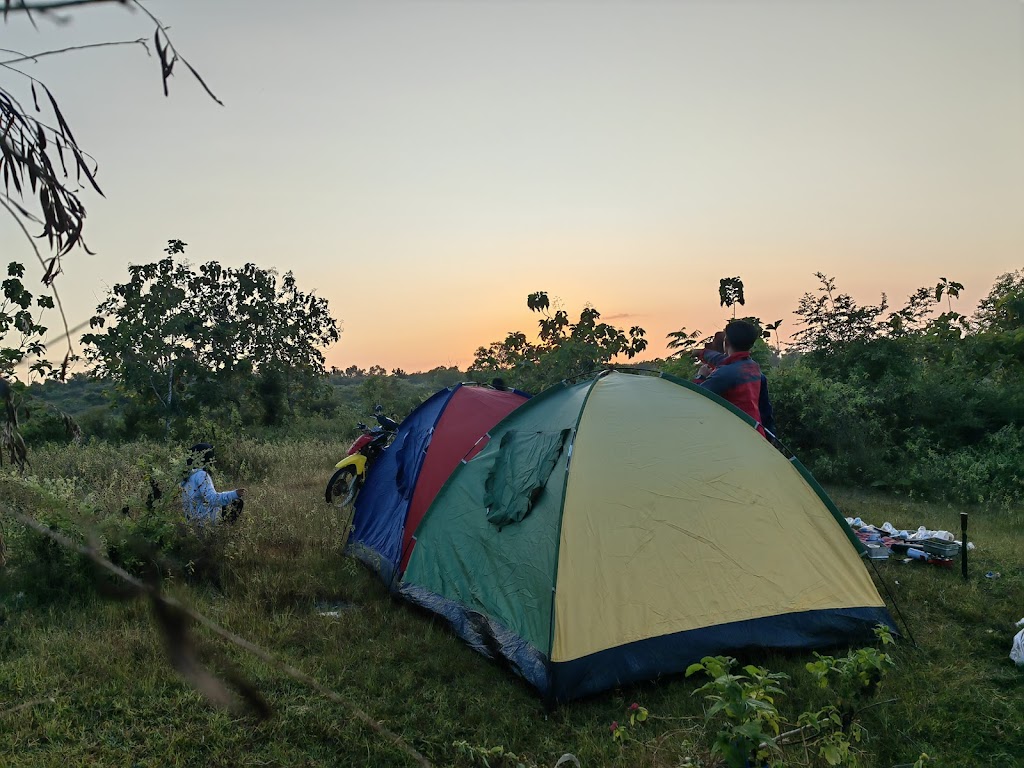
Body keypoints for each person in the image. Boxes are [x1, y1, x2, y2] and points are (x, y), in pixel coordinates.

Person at [694, 320, 776, 438]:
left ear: (726, 342)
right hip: (757, 435)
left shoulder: (724, 374)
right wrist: (701, 353)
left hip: (735, 436)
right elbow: (765, 410)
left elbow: (696, 397)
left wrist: (700, 376)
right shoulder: (754, 368)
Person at [181, 443, 246, 524]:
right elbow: (212, 499)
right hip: (204, 521)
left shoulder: (186, 477)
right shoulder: (201, 475)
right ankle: (224, 531)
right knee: (237, 502)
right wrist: (234, 494)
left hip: (190, 521)